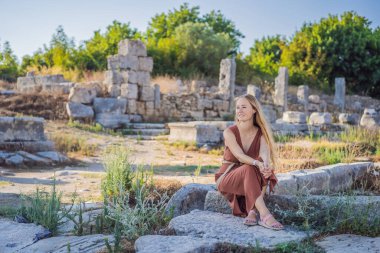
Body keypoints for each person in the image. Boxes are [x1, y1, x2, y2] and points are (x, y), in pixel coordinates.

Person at [215, 94, 284, 230]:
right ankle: (265, 215)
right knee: (250, 167)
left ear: (254, 110)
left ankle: (252, 211)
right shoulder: (229, 132)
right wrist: (257, 163)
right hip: (227, 177)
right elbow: (240, 156)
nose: (239, 110)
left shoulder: (261, 133)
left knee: (264, 168)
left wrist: (265, 164)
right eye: (238, 107)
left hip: (249, 178)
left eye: (244, 107)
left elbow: (264, 153)